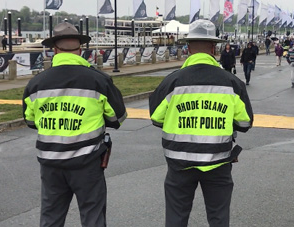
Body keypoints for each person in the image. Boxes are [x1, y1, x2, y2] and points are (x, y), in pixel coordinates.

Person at [149, 19, 253, 227]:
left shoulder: (172, 81)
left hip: (179, 162)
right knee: (218, 217)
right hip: (218, 161)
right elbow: (244, 122)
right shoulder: (231, 82)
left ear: (188, 48)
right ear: (214, 48)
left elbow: (156, 118)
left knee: (176, 218)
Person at [22, 22, 127, 227]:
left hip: (50, 162)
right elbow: (118, 117)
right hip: (87, 162)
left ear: (54, 50)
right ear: (80, 50)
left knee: (51, 217)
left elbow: (30, 121)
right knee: (92, 216)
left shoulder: (36, 83)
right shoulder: (98, 80)